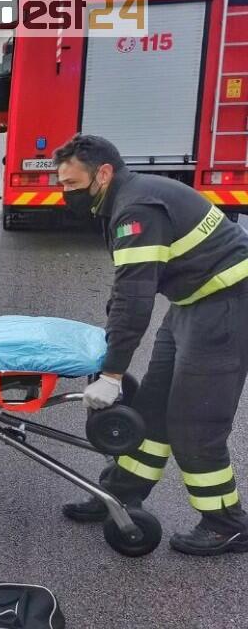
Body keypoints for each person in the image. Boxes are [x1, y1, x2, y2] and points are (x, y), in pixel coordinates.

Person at [55, 134, 248, 556]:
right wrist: (107, 349)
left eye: (71, 184)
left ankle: (227, 523)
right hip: (193, 304)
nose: (64, 193)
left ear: (102, 173)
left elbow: (135, 301)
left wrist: (110, 374)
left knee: (195, 425)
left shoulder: (136, 210)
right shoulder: (123, 199)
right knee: (152, 409)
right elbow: (128, 286)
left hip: (229, 307)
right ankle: (119, 496)